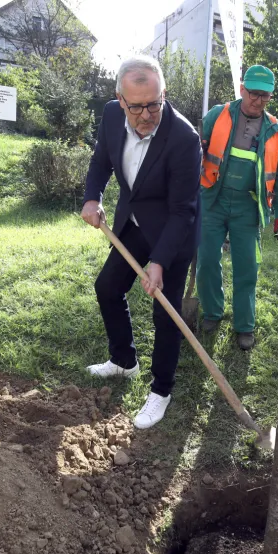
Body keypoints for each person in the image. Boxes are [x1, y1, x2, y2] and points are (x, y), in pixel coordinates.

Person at [81, 56, 201, 429]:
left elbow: (183, 211)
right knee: (107, 287)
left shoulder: (184, 139)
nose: (147, 114)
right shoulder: (111, 115)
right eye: (137, 106)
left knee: (166, 313)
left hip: (172, 232)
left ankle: (160, 391)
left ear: (163, 94)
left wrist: (159, 262)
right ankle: (124, 361)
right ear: (121, 100)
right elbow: (102, 159)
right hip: (134, 222)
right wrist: (92, 197)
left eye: (154, 103)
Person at [196, 65, 278, 350]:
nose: (258, 100)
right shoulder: (218, 115)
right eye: (254, 93)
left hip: (248, 206)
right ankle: (213, 312)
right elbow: (195, 151)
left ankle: (244, 325)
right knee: (207, 260)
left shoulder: (277, 131)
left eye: (265, 96)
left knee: (247, 266)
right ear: (242, 89)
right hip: (212, 200)